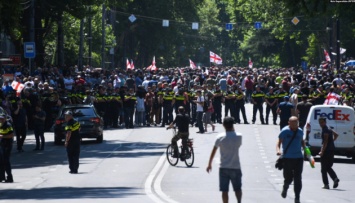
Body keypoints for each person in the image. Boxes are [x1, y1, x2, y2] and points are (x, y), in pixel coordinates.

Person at [206, 117, 242, 203]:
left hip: (224, 167)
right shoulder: (239, 136)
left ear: (223, 125)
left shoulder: (220, 137)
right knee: (237, 188)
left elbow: (213, 151)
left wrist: (209, 164)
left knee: (224, 190)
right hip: (235, 166)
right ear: (233, 125)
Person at [276, 116, 305, 203]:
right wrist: (278, 150)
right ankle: (285, 187)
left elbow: (302, 141)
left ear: (298, 123)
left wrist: (307, 150)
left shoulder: (300, 131)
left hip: (299, 158)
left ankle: (297, 197)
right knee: (288, 178)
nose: (294, 125)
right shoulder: (285, 131)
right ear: (289, 123)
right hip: (288, 158)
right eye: (292, 123)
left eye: (296, 123)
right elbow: (278, 142)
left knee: (298, 178)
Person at [318, 117, 340, 189]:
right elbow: (336, 135)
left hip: (326, 151)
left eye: (322, 122)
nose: (321, 124)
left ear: (325, 122)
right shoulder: (329, 128)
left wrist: (322, 151)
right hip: (332, 149)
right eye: (320, 122)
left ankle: (326, 184)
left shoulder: (325, 130)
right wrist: (332, 141)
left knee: (323, 169)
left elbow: (325, 142)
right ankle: (335, 178)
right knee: (328, 167)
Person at [0, 114, 15, 182]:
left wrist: (2, 136)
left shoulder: (8, 125)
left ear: (5, 118)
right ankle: (2, 177)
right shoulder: (0, 125)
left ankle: (10, 177)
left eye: (2, 119)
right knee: (1, 161)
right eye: (0, 119)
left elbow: (11, 135)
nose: (1, 120)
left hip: (7, 145)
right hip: (2, 144)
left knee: (6, 161)